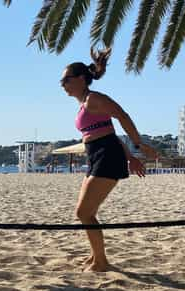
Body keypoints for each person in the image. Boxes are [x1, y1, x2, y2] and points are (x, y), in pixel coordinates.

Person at [60, 48, 159, 272]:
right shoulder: (83, 104)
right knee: (86, 213)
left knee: (83, 213)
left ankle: (101, 261)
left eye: (66, 79)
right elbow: (108, 132)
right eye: (61, 80)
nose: (62, 84)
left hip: (106, 155)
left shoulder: (95, 99)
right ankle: (97, 256)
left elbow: (122, 116)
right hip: (97, 154)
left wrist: (139, 145)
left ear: (81, 78)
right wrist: (130, 157)